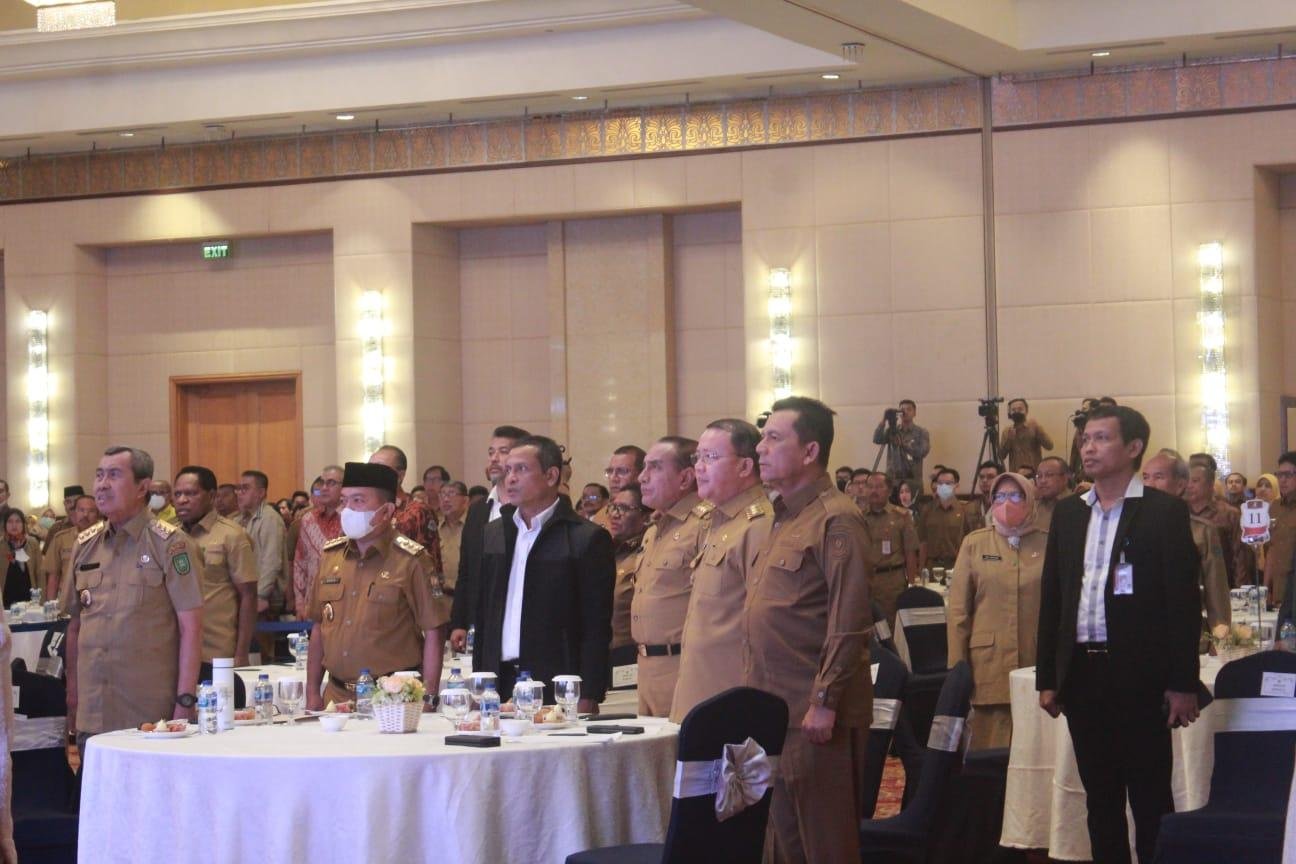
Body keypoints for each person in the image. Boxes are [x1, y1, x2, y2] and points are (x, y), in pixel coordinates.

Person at [1036, 405, 1201, 864]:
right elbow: (1054, 599)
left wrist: (1183, 682)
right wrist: (1048, 676)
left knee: (1150, 799)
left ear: (1133, 447)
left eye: (1102, 438)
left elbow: (1183, 605)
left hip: (1142, 677)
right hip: (1083, 676)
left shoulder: (1163, 512)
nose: (1088, 448)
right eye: (1085, 439)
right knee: (1100, 799)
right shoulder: (1069, 513)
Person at [749, 396, 873, 864]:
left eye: (773, 438)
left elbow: (849, 618)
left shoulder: (836, 518)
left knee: (824, 845)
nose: (760, 448)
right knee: (785, 845)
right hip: (776, 709)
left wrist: (824, 700)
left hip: (815, 715)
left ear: (810, 451)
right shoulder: (784, 517)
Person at [60, 446, 205, 742]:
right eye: (99, 475)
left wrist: (185, 700)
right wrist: (73, 694)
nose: (102, 485)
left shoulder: (171, 544)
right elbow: (74, 627)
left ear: (142, 487)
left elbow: (191, 628)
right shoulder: (85, 545)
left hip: (149, 714)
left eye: (114, 475)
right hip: (93, 710)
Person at [472, 435, 614, 709]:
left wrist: (589, 694)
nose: (511, 478)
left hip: (558, 685)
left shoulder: (585, 538)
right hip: (499, 681)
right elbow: (484, 615)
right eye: (508, 470)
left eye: (521, 469)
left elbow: (596, 626)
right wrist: (480, 684)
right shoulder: (494, 533)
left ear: (551, 476)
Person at [304, 462, 448, 710]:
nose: (348, 510)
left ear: (386, 511)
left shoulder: (411, 560)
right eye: (345, 501)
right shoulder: (331, 556)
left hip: (393, 698)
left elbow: (434, 631)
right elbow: (318, 627)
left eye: (358, 501)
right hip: (336, 697)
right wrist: (312, 692)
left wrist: (429, 698)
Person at [672, 419, 770, 721]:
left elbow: (764, 626)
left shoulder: (758, 525)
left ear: (745, 466)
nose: (698, 468)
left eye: (710, 457)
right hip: (700, 690)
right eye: (697, 457)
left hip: (731, 696)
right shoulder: (719, 521)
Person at [948, 472, 1045, 749]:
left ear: (1029, 499)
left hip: (1035, 661)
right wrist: (957, 670)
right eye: (1000, 496)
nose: (1006, 503)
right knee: (990, 749)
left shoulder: (1047, 542)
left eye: (1015, 495)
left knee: (1034, 747)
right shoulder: (975, 543)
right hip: (988, 664)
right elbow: (958, 612)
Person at [631, 435, 707, 717]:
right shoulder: (653, 531)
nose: (642, 477)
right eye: (643, 467)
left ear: (685, 478)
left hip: (682, 665)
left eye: (654, 467)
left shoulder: (704, 525)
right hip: (645, 667)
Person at [448, 425, 530, 652]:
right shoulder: (478, 511)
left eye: (503, 452)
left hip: (519, 622)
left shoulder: (529, 510)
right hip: (481, 622)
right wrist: (459, 622)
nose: (494, 458)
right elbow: (466, 572)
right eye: (491, 452)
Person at [173, 466, 259, 667]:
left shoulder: (232, 535)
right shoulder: (170, 536)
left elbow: (249, 596)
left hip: (216, 651)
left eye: (191, 493)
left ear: (211, 496)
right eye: (177, 494)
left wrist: (242, 653)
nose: (182, 500)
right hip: (175, 651)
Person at [1139, 452, 1228, 631]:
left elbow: (1216, 589)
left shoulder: (1202, 530)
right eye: (1146, 477)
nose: (1150, 484)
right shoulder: (1134, 527)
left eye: (1158, 477)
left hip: (1186, 625)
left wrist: (1220, 633)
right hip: (1142, 626)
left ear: (1180, 485)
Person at [369, 445, 442, 572]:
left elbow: (430, 564)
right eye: (370, 468)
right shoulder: (365, 510)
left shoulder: (417, 512)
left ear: (400, 475)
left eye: (380, 469)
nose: (372, 474)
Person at [859, 472, 918, 627]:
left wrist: (912, 584)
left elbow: (910, 552)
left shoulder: (902, 516)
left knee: (891, 627)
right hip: (866, 581)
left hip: (892, 581)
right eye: (870, 486)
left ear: (890, 490)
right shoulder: (859, 516)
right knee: (867, 627)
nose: (874, 491)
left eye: (879, 487)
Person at [1185, 461, 1249, 591]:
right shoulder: (1179, 512)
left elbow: (1240, 555)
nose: (1189, 485)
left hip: (1221, 584)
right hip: (1188, 585)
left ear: (1210, 484)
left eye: (1195, 481)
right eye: (1187, 480)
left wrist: (1240, 590)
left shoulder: (1229, 513)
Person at [607, 483, 650, 671]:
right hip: (605, 652)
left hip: (630, 654)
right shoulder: (606, 549)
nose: (615, 514)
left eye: (624, 508)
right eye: (613, 507)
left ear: (645, 516)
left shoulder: (646, 552)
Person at [291, 465, 344, 615]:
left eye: (331, 483)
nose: (324, 488)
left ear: (344, 488)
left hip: (343, 601)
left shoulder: (351, 518)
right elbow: (300, 562)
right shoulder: (308, 520)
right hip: (312, 602)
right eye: (322, 483)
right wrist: (300, 601)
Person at [236, 470, 287, 620]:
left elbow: (271, 561)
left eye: (245, 488)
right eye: (238, 488)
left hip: (264, 600)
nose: (239, 493)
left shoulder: (270, 519)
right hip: (245, 596)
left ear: (261, 493)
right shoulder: (237, 520)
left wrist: (261, 595)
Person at [916, 467, 979, 572]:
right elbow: (923, 542)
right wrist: (921, 568)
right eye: (940, 483)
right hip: (932, 566)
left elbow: (971, 544)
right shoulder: (927, 510)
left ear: (956, 486)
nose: (944, 486)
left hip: (956, 566)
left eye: (948, 483)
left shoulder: (965, 510)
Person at [43, 495, 99, 601]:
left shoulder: (106, 538)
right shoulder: (61, 539)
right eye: (81, 510)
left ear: (97, 514)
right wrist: (51, 604)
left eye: (91, 511)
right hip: (67, 599)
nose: (85, 515)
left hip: (97, 598)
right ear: (74, 512)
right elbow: (53, 577)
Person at [871, 399, 930, 485]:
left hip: (912, 479)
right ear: (898, 413)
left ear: (914, 413)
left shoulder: (921, 432)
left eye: (909, 409)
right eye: (902, 410)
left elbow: (923, 452)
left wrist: (903, 445)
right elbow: (877, 439)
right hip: (892, 478)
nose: (905, 412)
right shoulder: (892, 431)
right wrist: (884, 420)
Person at [592, 445, 646, 529]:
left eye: (622, 471)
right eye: (610, 471)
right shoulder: (600, 516)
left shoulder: (656, 515)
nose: (613, 478)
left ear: (641, 475)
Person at [1270, 454, 1296, 616]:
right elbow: (1271, 549)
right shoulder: (1274, 507)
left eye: (1288, 475)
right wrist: (1267, 587)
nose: (1282, 480)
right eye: (1279, 475)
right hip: (1279, 590)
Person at [999, 398, 1054, 473]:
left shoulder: (1034, 426)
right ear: (1009, 413)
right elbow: (1001, 456)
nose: (1017, 412)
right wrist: (1009, 439)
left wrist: (1038, 430)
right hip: (1015, 474)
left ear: (1026, 411)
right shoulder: (1006, 431)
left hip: (1034, 472)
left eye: (1020, 409)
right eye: (1013, 410)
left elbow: (1050, 446)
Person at [2, 509, 42, 607]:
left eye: (18, 521)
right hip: (6, 599)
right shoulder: (1, 545)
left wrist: (42, 600)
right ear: (5, 525)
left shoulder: (33, 543)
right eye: (10, 521)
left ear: (23, 524)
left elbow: (40, 573)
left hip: (29, 598)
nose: (14, 525)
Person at [436, 481, 469, 595]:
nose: (445, 499)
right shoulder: (434, 528)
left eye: (451, 494)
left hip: (465, 595)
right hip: (440, 595)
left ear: (465, 500)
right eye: (442, 494)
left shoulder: (473, 526)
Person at [1034, 456, 1072, 530]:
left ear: (1064, 478)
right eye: (1039, 476)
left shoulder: (1076, 506)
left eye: (1049, 475)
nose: (1043, 481)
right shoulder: (1033, 506)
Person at [971, 460, 1003, 526]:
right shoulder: (970, 507)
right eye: (981, 477)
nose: (984, 480)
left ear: (1000, 480)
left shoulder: (1006, 506)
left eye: (990, 477)